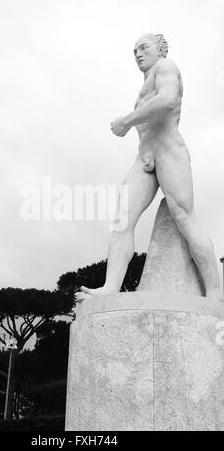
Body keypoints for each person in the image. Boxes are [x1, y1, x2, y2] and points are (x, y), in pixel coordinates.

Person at [79, 33, 222, 302]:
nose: (138, 54)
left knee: (184, 218)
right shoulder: (145, 82)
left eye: (144, 48)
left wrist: (126, 121)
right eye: (134, 51)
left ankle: (215, 292)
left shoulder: (166, 67)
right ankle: (111, 287)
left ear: (160, 50)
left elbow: (168, 100)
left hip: (169, 152)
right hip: (144, 158)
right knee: (121, 221)